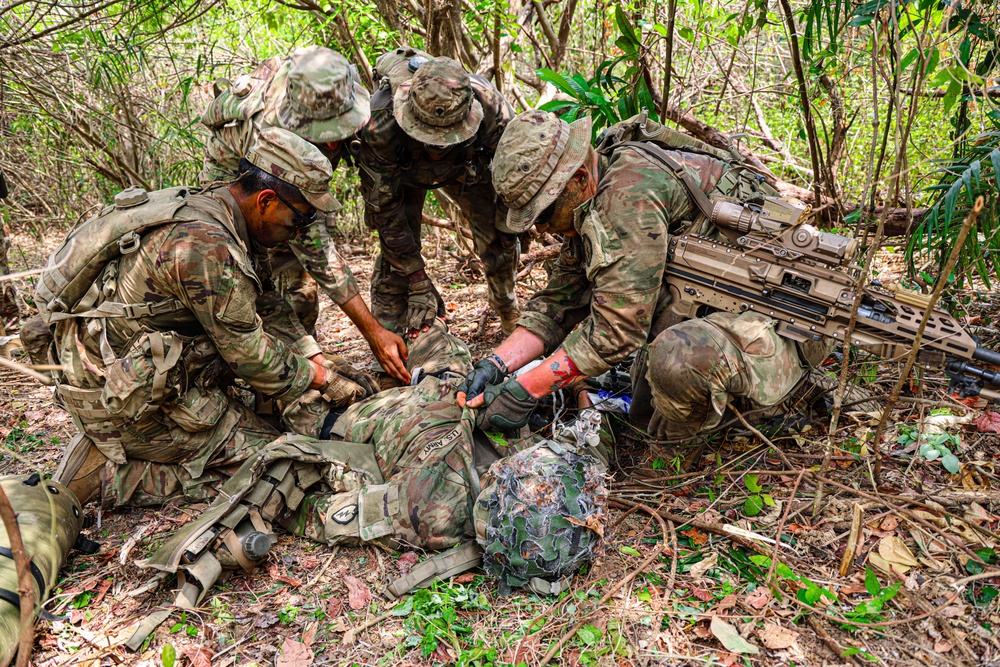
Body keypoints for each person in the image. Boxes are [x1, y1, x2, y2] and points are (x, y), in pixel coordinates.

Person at [37, 128, 376, 508]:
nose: (300, 231)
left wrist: (315, 358)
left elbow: (267, 305)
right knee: (279, 469)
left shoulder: (226, 210)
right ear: (265, 200)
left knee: (275, 427)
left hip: (141, 369)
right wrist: (322, 379)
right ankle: (106, 475)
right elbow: (249, 355)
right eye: (299, 219)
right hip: (124, 401)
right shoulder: (206, 246)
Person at [456, 110, 832, 441]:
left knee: (674, 361)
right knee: (640, 399)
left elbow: (617, 332)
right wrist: (496, 365)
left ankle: (739, 426)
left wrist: (526, 389)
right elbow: (559, 302)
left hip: (787, 324)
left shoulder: (627, 195)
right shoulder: (594, 194)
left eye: (544, 213)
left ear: (579, 177)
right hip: (725, 313)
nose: (541, 228)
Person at [200, 45, 409, 383]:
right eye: (327, 133)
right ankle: (278, 377)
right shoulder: (268, 133)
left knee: (301, 292)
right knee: (253, 285)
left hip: (287, 190)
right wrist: (373, 332)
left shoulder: (337, 88)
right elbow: (317, 251)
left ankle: (305, 360)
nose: (335, 143)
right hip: (238, 200)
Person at [358, 52, 521, 337]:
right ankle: (393, 333)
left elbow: (515, 171)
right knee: (395, 260)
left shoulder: (491, 107)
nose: (438, 148)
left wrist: (514, 220)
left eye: (446, 136)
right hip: (404, 171)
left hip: (466, 164)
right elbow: (385, 211)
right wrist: (417, 279)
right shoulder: (380, 123)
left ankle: (508, 310)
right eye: (429, 137)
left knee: (499, 237)